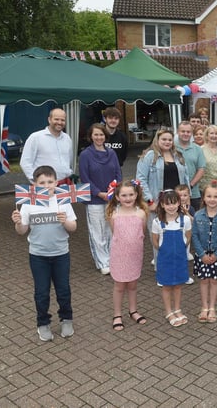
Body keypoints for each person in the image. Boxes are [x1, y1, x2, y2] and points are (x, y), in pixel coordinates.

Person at [11, 165, 77, 341]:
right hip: (38, 256)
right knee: (41, 292)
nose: (47, 185)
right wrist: (18, 222)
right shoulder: (28, 204)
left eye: (50, 181)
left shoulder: (63, 201)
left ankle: (66, 319)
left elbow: (73, 227)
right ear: (34, 184)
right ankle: (43, 323)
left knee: (63, 290)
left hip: (61, 254)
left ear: (56, 182)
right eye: (42, 182)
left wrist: (65, 222)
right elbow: (22, 231)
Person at [136, 129, 189, 264]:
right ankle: (161, 269)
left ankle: (178, 267)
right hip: (157, 203)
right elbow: (140, 179)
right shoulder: (149, 156)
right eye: (164, 139)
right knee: (159, 237)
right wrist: (149, 201)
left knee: (179, 235)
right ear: (157, 140)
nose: (167, 142)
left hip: (176, 203)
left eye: (170, 140)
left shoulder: (178, 156)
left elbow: (186, 178)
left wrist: (186, 198)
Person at [78, 123, 122, 275]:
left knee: (111, 230)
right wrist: (99, 193)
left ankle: (112, 259)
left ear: (105, 136)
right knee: (98, 232)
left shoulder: (112, 153)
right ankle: (102, 262)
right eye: (96, 134)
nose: (99, 137)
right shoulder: (85, 155)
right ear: (91, 136)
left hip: (111, 200)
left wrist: (115, 192)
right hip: (94, 200)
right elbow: (85, 178)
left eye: (101, 134)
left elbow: (118, 173)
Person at [106, 180, 149, 331]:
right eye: (124, 195)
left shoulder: (141, 213)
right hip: (119, 255)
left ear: (136, 195)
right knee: (119, 285)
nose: (128, 198)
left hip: (135, 255)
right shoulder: (114, 214)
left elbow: (142, 232)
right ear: (117, 197)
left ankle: (133, 310)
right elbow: (114, 233)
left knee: (132, 284)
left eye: (131, 194)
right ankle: (117, 314)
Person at [192, 182, 217, 323]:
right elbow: (194, 235)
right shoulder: (198, 216)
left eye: (216, 196)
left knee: (214, 281)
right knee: (203, 281)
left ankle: (212, 307)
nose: (212, 199)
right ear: (203, 198)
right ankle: (204, 307)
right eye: (209, 196)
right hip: (202, 255)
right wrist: (201, 254)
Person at [152, 190, 192, 327]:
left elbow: (188, 237)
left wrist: (180, 249)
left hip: (180, 259)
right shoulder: (157, 222)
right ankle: (169, 311)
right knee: (167, 286)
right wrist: (165, 249)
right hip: (165, 260)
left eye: (174, 203)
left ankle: (178, 309)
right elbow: (155, 242)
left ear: (179, 203)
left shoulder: (185, 220)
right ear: (162, 205)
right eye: (167, 204)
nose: (171, 206)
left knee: (178, 285)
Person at [20, 108, 73, 183]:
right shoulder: (36, 137)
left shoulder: (67, 138)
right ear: (49, 119)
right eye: (56, 119)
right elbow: (25, 162)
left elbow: (69, 161)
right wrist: (36, 181)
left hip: (65, 184)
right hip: (45, 186)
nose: (60, 122)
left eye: (62, 120)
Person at [175, 121, 206, 210]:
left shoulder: (197, 149)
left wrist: (190, 185)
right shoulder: (172, 147)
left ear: (191, 133)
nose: (185, 134)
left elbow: (201, 168)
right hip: (175, 191)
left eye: (188, 132)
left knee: (193, 218)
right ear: (178, 132)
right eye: (183, 131)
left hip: (194, 193)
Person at [199, 125, 217, 190]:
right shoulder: (200, 150)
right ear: (207, 135)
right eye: (211, 133)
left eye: (216, 134)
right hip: (205, 187)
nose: (214, 136)